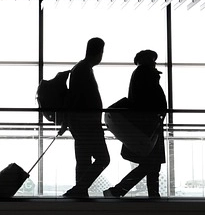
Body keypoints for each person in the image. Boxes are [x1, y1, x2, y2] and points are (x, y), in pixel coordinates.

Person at [104, 50, 168, 198]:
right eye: (153, 59)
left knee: (151, 164)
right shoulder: (146, 74)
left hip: (148, 125)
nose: (155, 62)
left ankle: (123, 191)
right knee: (152, 164)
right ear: (145, 60)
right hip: (149, 125)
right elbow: (149, 100)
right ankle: (119, 191)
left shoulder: (140, 74)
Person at [63, 37, 110, 198]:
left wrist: (67, 121)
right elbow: (75, 98)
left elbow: (73, 98)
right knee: (103, 158)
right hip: (87, 123)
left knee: (83, 160)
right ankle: (78, 190)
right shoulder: (83, 69)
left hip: (81, 122)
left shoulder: (81, 68)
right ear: (99, 52)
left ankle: (80, 191)